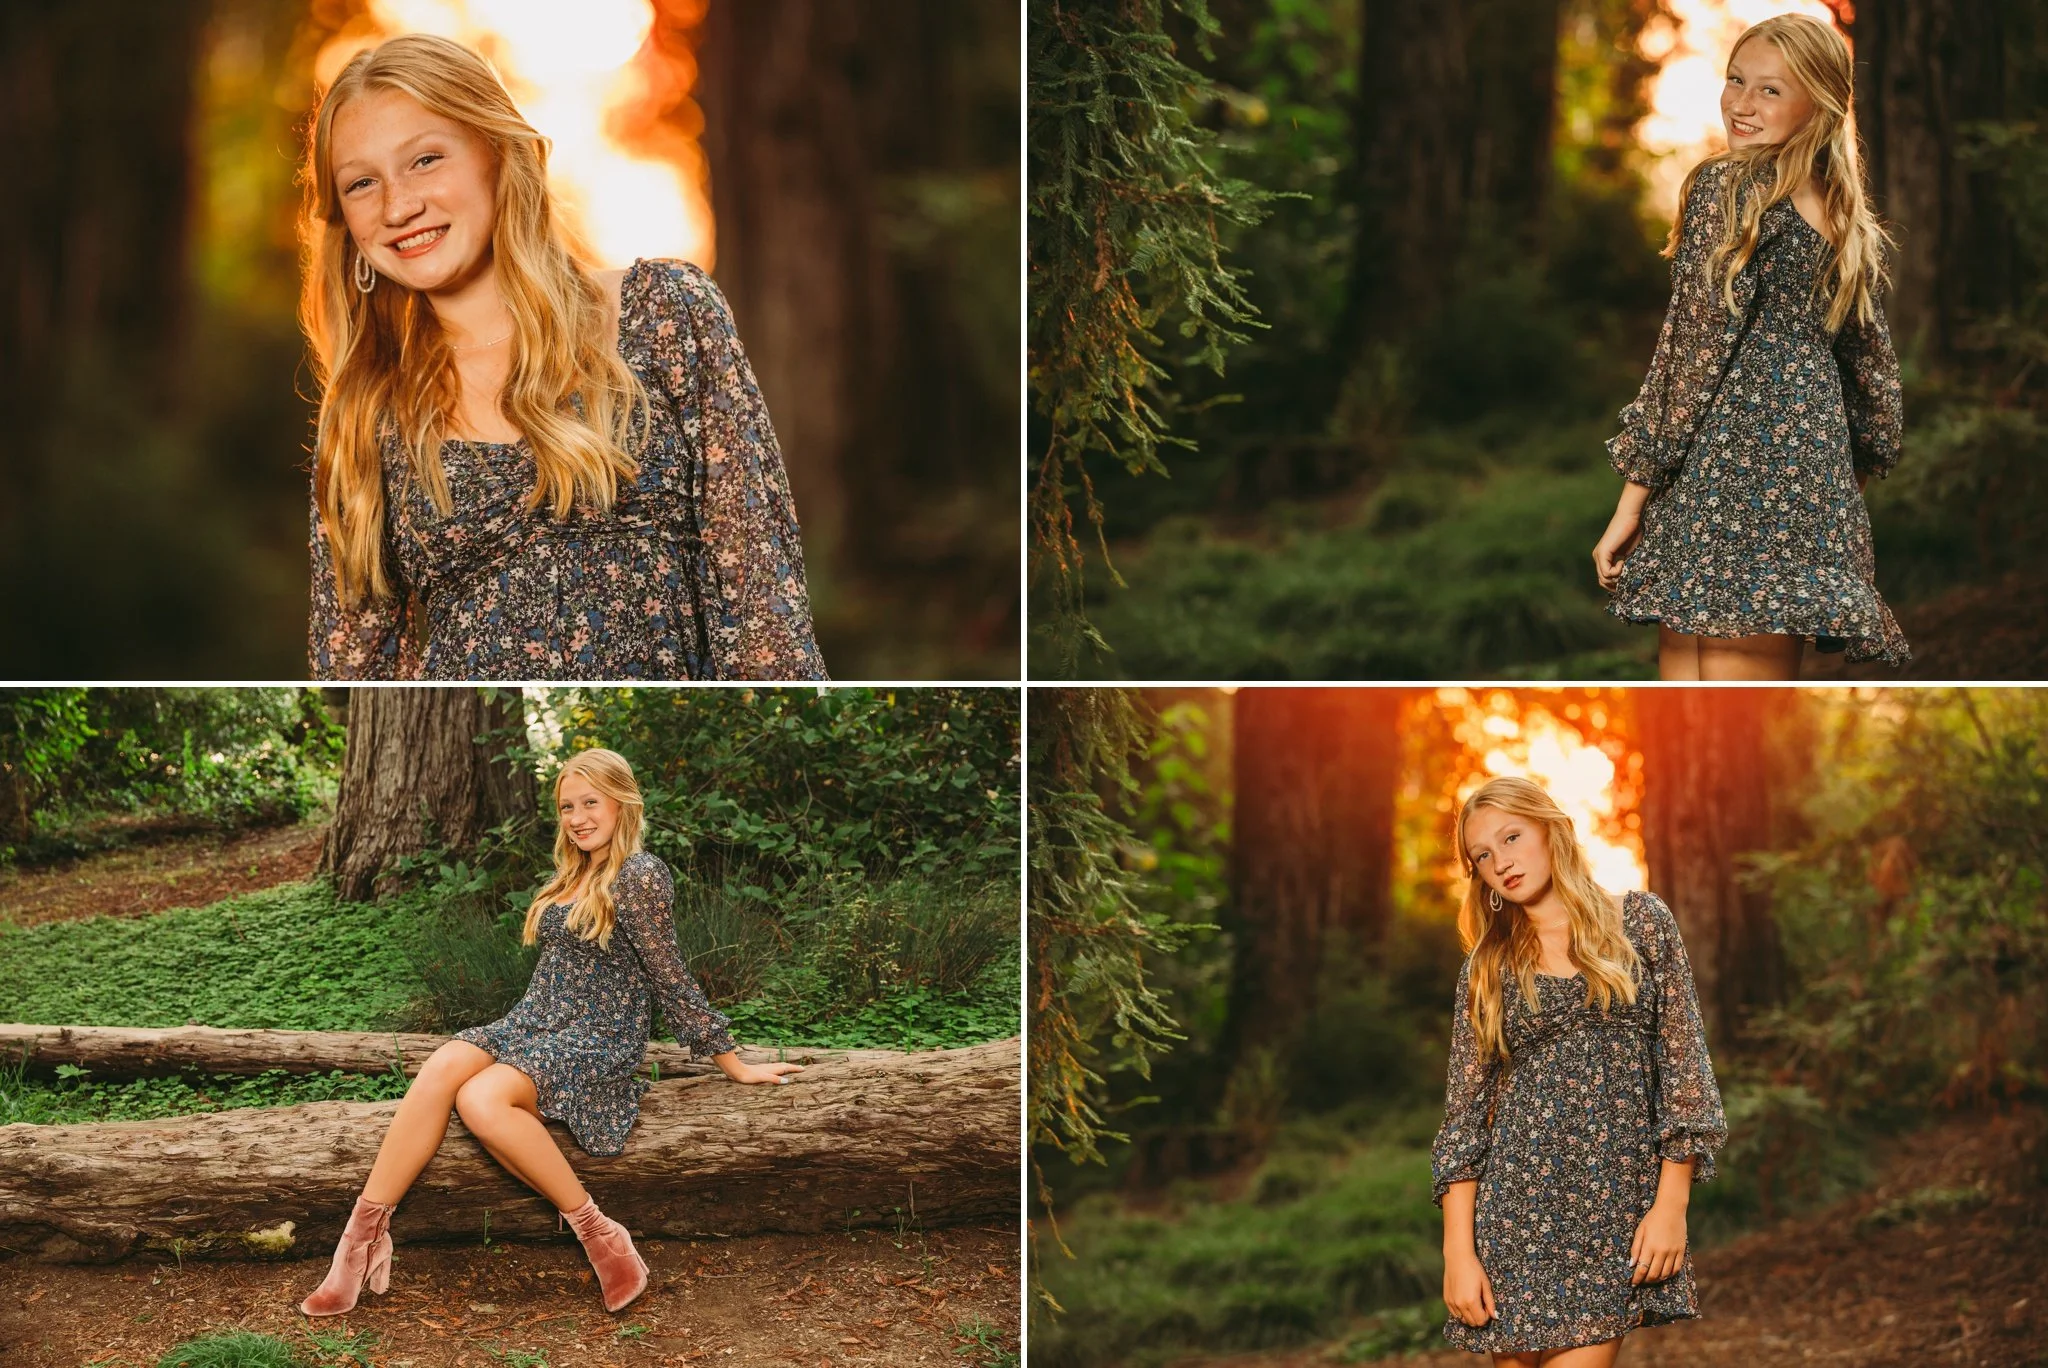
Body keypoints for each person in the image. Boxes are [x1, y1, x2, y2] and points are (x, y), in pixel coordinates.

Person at [301, 33, 825, 681]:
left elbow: (764, 609)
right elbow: (353, 669)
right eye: (361, 184)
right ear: (344, 222)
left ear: (496, 152)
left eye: (426, 159)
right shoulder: (367, 417)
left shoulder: (666, 312)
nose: (399, 206)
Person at [299, 747, 802, 1317]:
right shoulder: (574, 872)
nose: (578, 817)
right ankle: (359, 1242)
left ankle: (601, 1235)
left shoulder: (639, 874)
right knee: (442, 1065)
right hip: (535, 1020)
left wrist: (732, 1061)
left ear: (622, 802)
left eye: (591, 803)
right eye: (567, 806)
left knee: (480, 1098)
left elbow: (669, 975)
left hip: (598, 1031)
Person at [1591, 14, 1907, 679]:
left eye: (1769, 90)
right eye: (1736, 80)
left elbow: (1689, 352)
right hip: (1812, 484)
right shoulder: (1845, 215)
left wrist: (1631, 502)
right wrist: (1841, 487)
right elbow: (1874, 381)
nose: (1740, 102)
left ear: (1818, 102)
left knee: (1705, 704)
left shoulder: (1727, 187)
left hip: (1720, 474)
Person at [1431, 776, 1726, 1364]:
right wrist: (1458, 1257)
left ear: (1550, 828)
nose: (1501, 863)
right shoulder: (1486, 968)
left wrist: (1672, 1206)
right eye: (1483, 856)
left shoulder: (1642, 924)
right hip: (1512, 1217)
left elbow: (1685, 1072)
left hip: (1609, 1213)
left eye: (1512, 838)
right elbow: (1464, 1123)